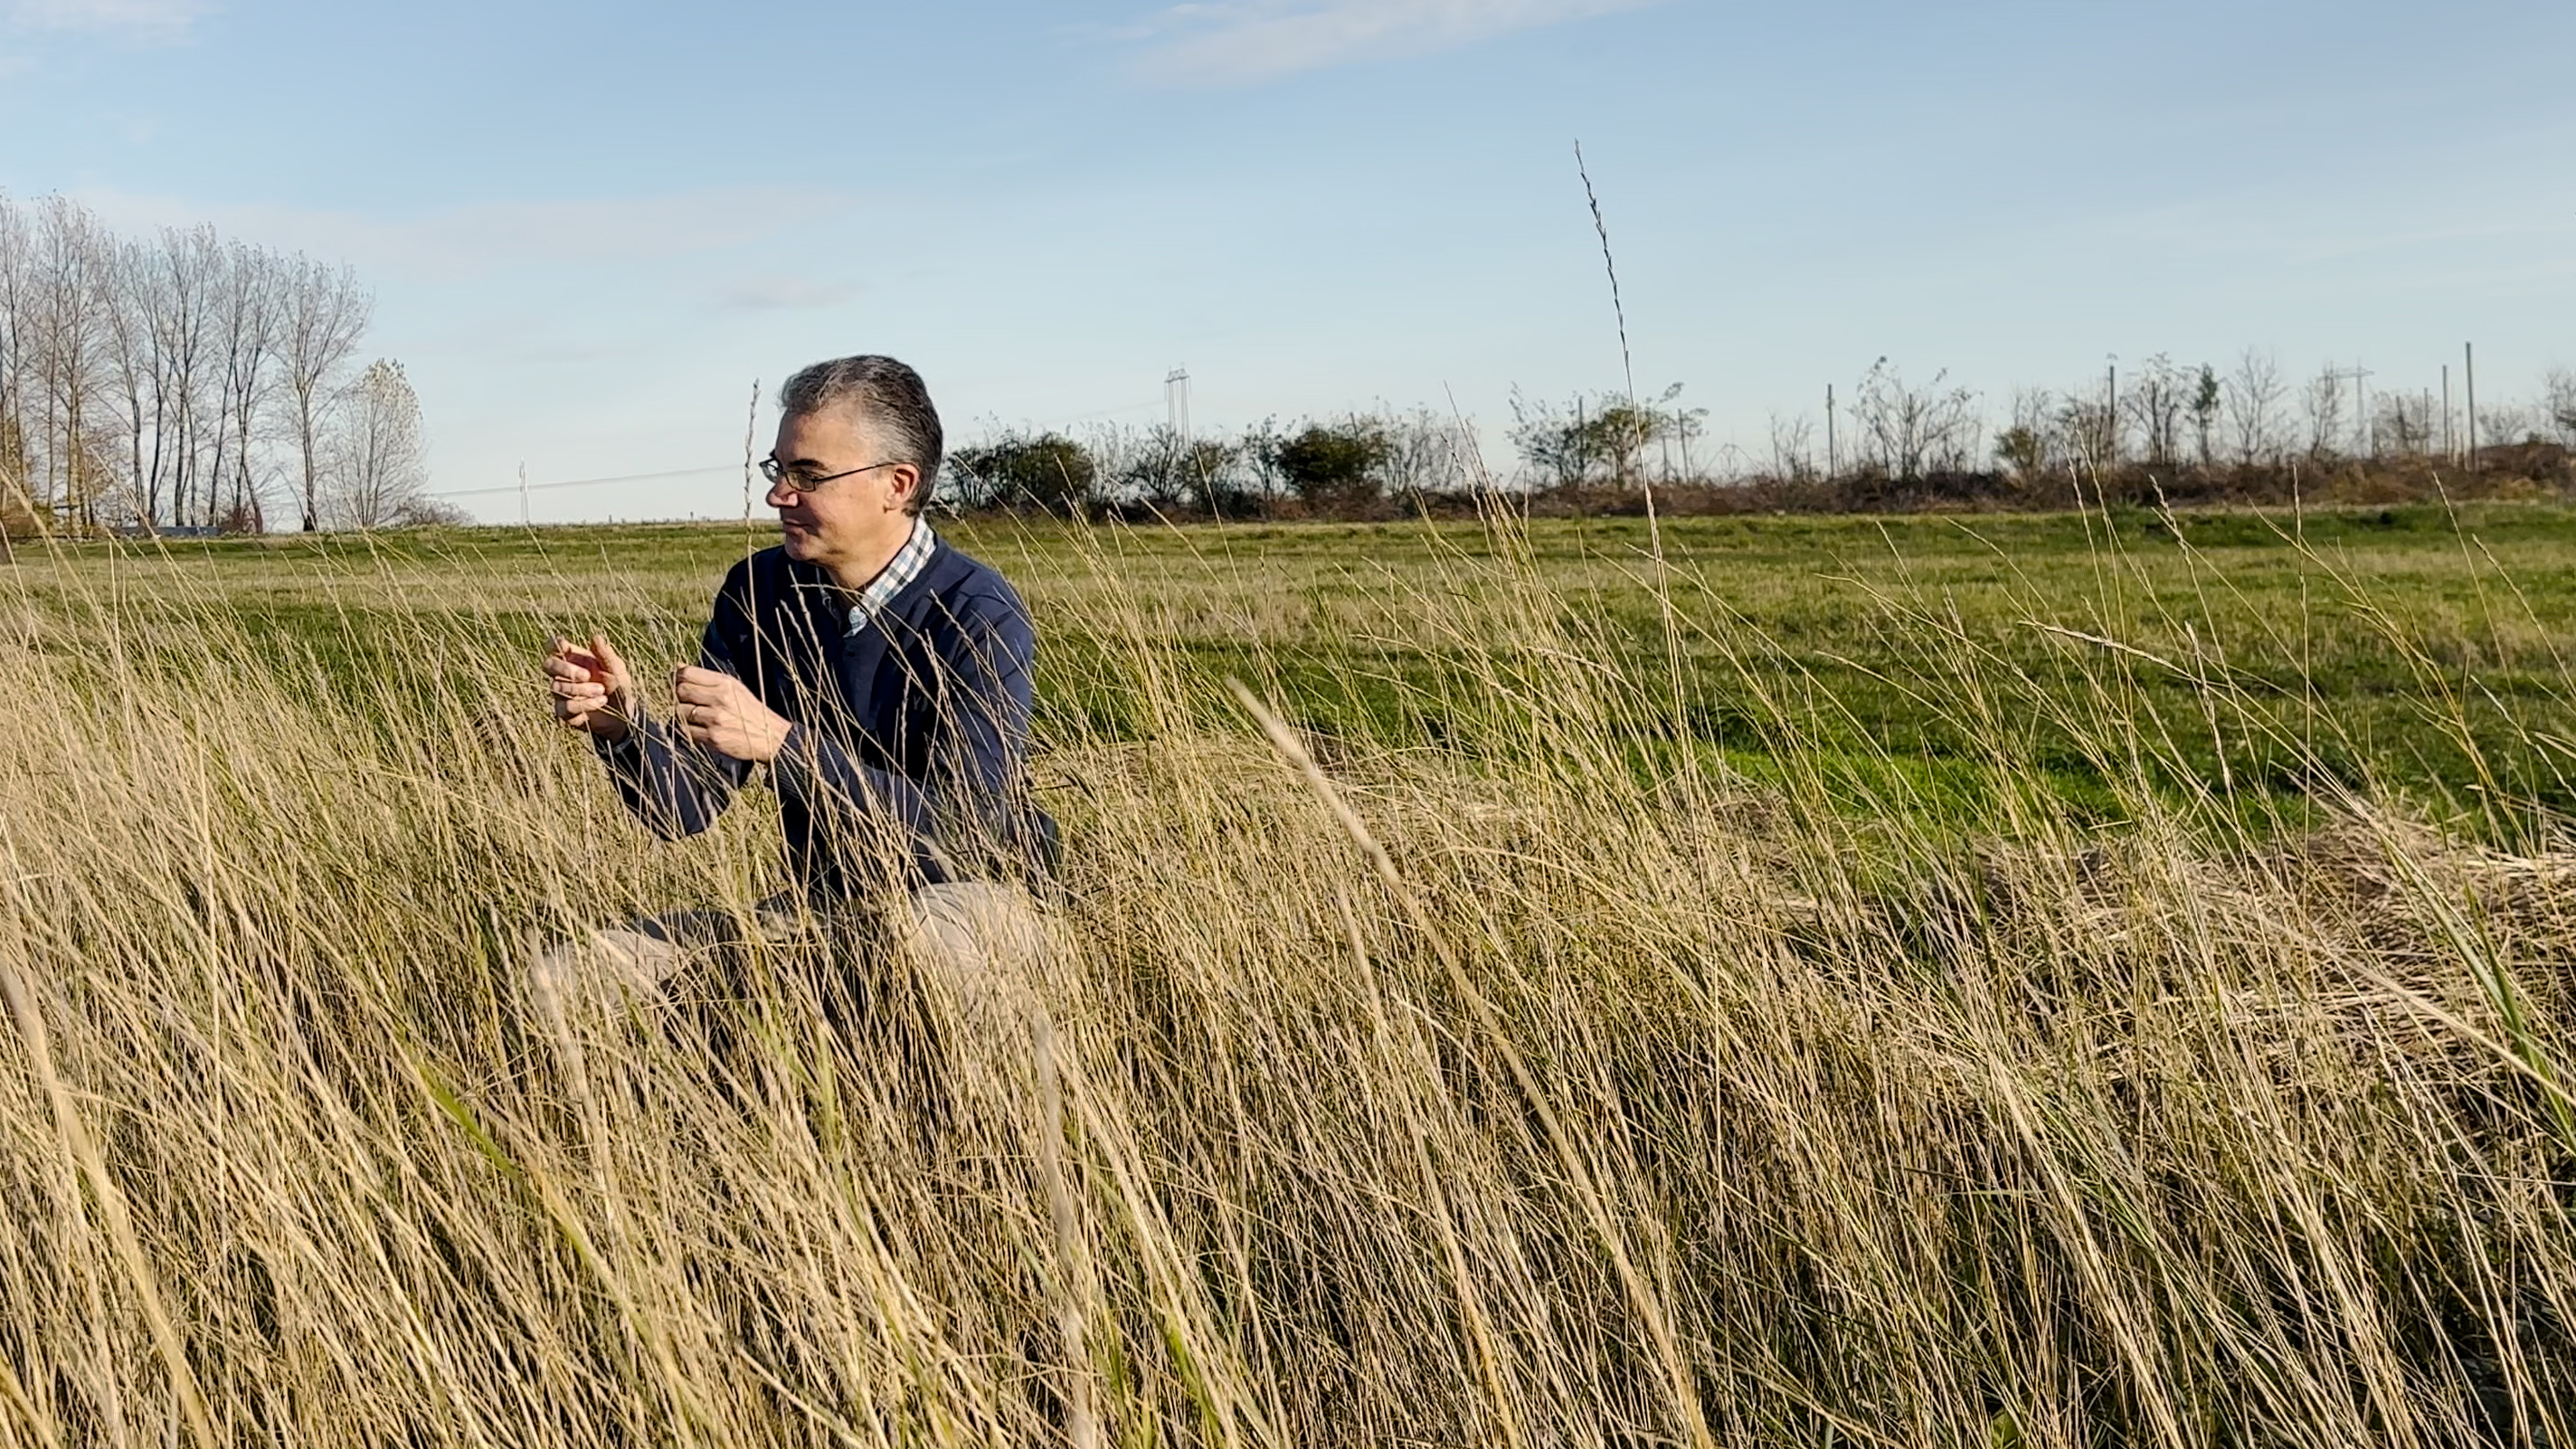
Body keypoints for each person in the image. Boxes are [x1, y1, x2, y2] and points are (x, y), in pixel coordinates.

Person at [530, 355, 1056, 1028]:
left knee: (924, 954)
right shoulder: (759, 592)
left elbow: (968, 829)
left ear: (897, 484)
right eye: (778, 471)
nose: (779, 495)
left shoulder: (977, 610)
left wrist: (784, 746)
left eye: (808, 475)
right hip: (823, 909)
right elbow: (684, 810)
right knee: (567, 981)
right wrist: (623, 729)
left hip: (976, 901)